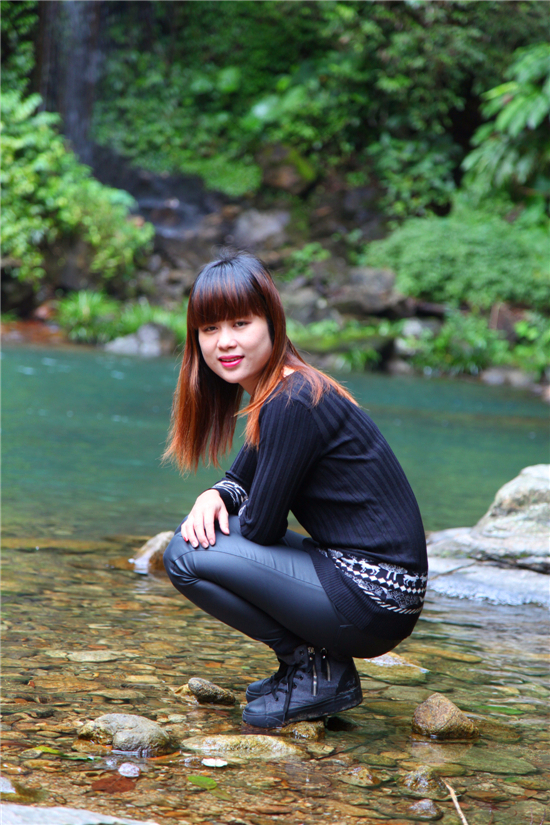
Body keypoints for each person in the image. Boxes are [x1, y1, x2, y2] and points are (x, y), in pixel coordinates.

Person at [163, 250, 428, 729]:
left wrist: (226, 506)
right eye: (209, 328)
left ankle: (312, 670)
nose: (224, 342)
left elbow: (261, 528)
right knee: (201, 534)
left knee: (184, 554)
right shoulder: (286, 389)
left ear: (272, 322)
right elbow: (241, 478)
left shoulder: (293, 400)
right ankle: (309, 669)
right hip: (374, 588)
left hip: (374, 596)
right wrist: (214, 494)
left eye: (240, 323)